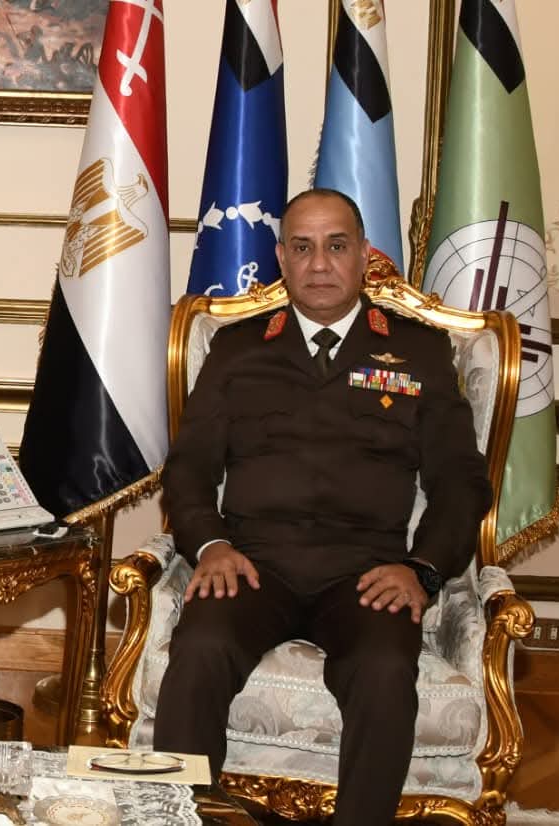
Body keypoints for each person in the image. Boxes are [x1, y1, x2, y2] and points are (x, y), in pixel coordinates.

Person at [156, 188, 492, 825]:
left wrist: (422, 569)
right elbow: (189, 467)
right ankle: (176, 815)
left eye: (336, 246)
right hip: (253, 565)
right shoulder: (239, 348)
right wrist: (210, 545)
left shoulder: (420, 351)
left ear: (364, 255)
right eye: (302, 247)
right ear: (281, 259)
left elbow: (460, 481)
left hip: (366, 572)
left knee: (385, 667)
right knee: (199, 646)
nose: (318, 264)